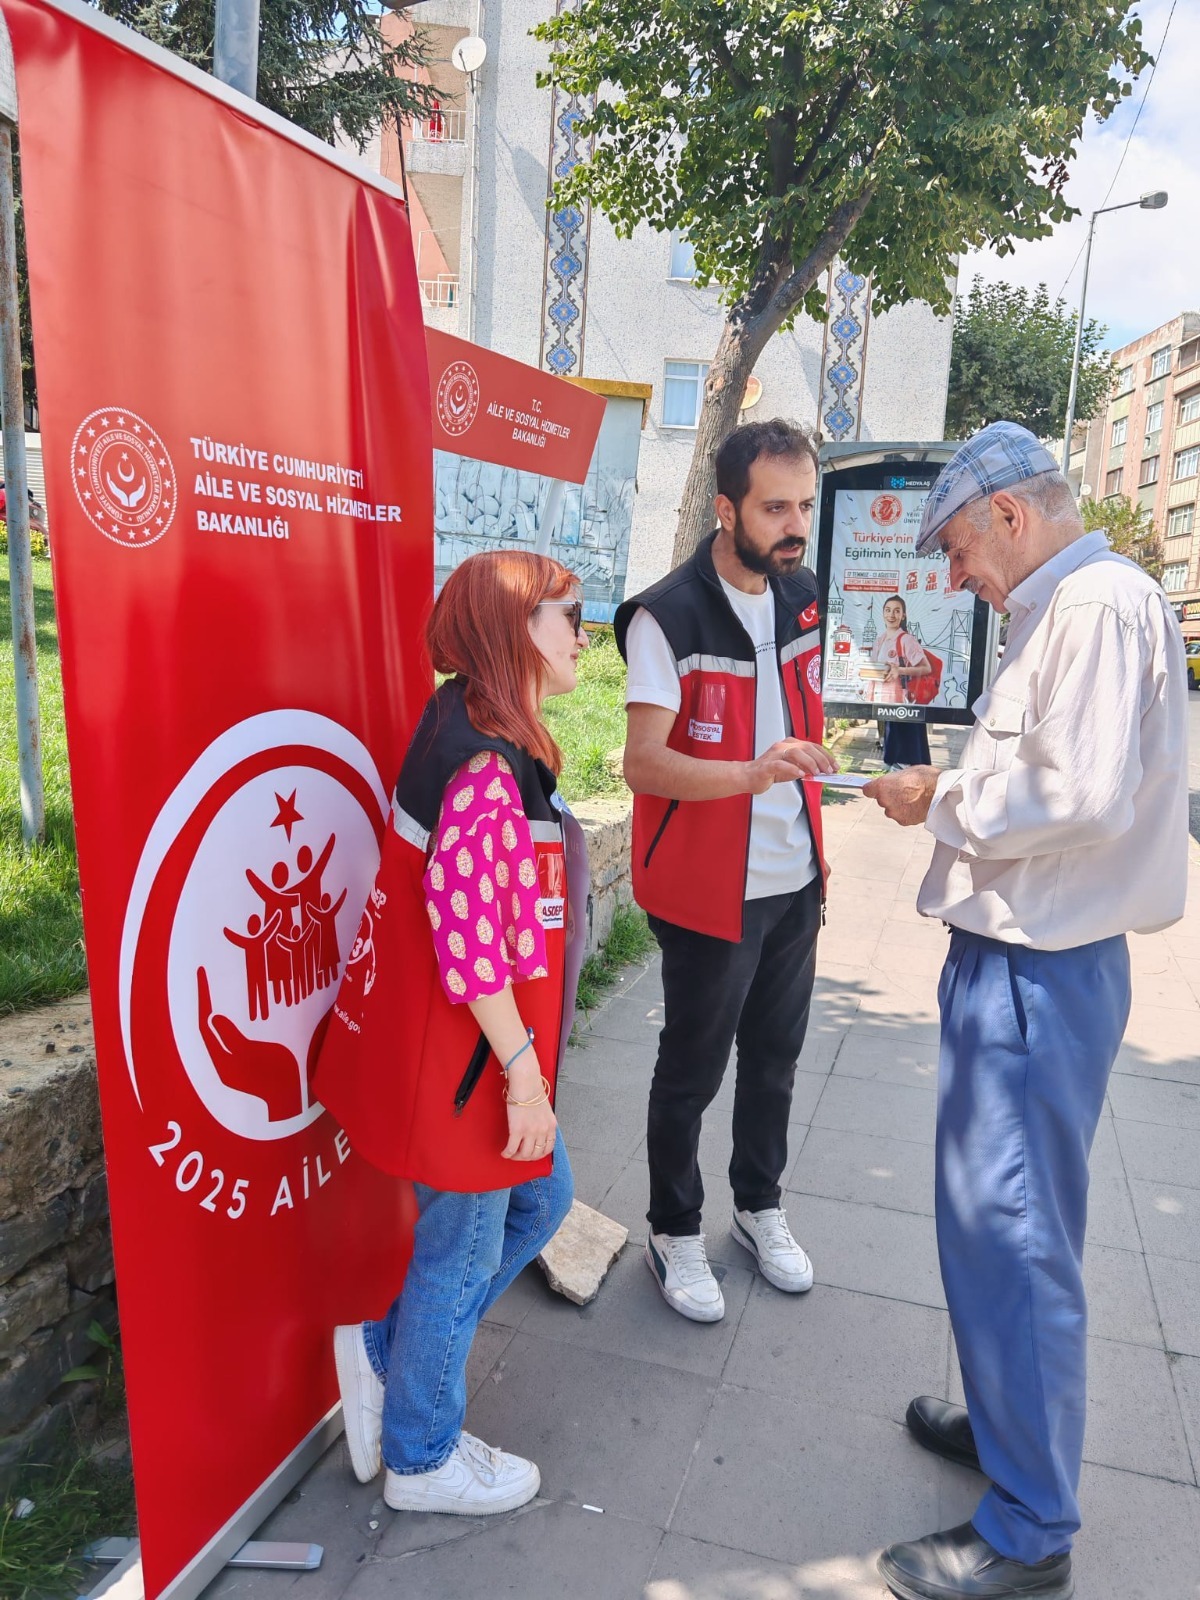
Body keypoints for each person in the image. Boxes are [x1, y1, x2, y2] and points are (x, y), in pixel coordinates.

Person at [863, 422, 1189, 1600]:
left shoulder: (1094, 605)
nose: (954, 576)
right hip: (1021, 958)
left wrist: (937, 792)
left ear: (1011, 513)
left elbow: (1075, 792)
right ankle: (1011, 1436)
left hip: (1038, 968)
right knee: (992, 1225)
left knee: (1015, 1235)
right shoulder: (1067, 605)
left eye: (957, 548)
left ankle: (1031, 1524)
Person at [312, 551, 590, 1516]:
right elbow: (472, 947)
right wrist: (522, 1077)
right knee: (465, 1249)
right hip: (472, 1067)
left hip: (469, 1058)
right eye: (566, 614)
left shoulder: (474, 717)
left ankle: (391, 1354)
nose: (580, 632)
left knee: (536, 1205)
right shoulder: (482, 762)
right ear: (514, 631)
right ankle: (422, 1456)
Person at [614, 418, 837, 1323]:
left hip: (794, 880)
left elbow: (805, 727)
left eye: (805, 507)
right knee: (692, 1070)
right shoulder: (668, 615)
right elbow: (642, 762)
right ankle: (674, 1230)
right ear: (726, 508)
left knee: (776, 1063)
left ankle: (758, 1209)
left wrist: (821, 843)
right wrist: (751, 775)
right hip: (710, 890)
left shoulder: (803, 593)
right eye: (775, 507)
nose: (795, 526)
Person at [864, 594, 933, 769]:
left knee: (907, 760)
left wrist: (899, 670)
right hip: (883, 701)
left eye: (896, 611)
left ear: (903, 615)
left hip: (903, 706)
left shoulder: (906, 640)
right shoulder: (879, 640)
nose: (891, 615)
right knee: (892, 758)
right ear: (882, 613)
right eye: (888, 610)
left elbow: (926, 668)